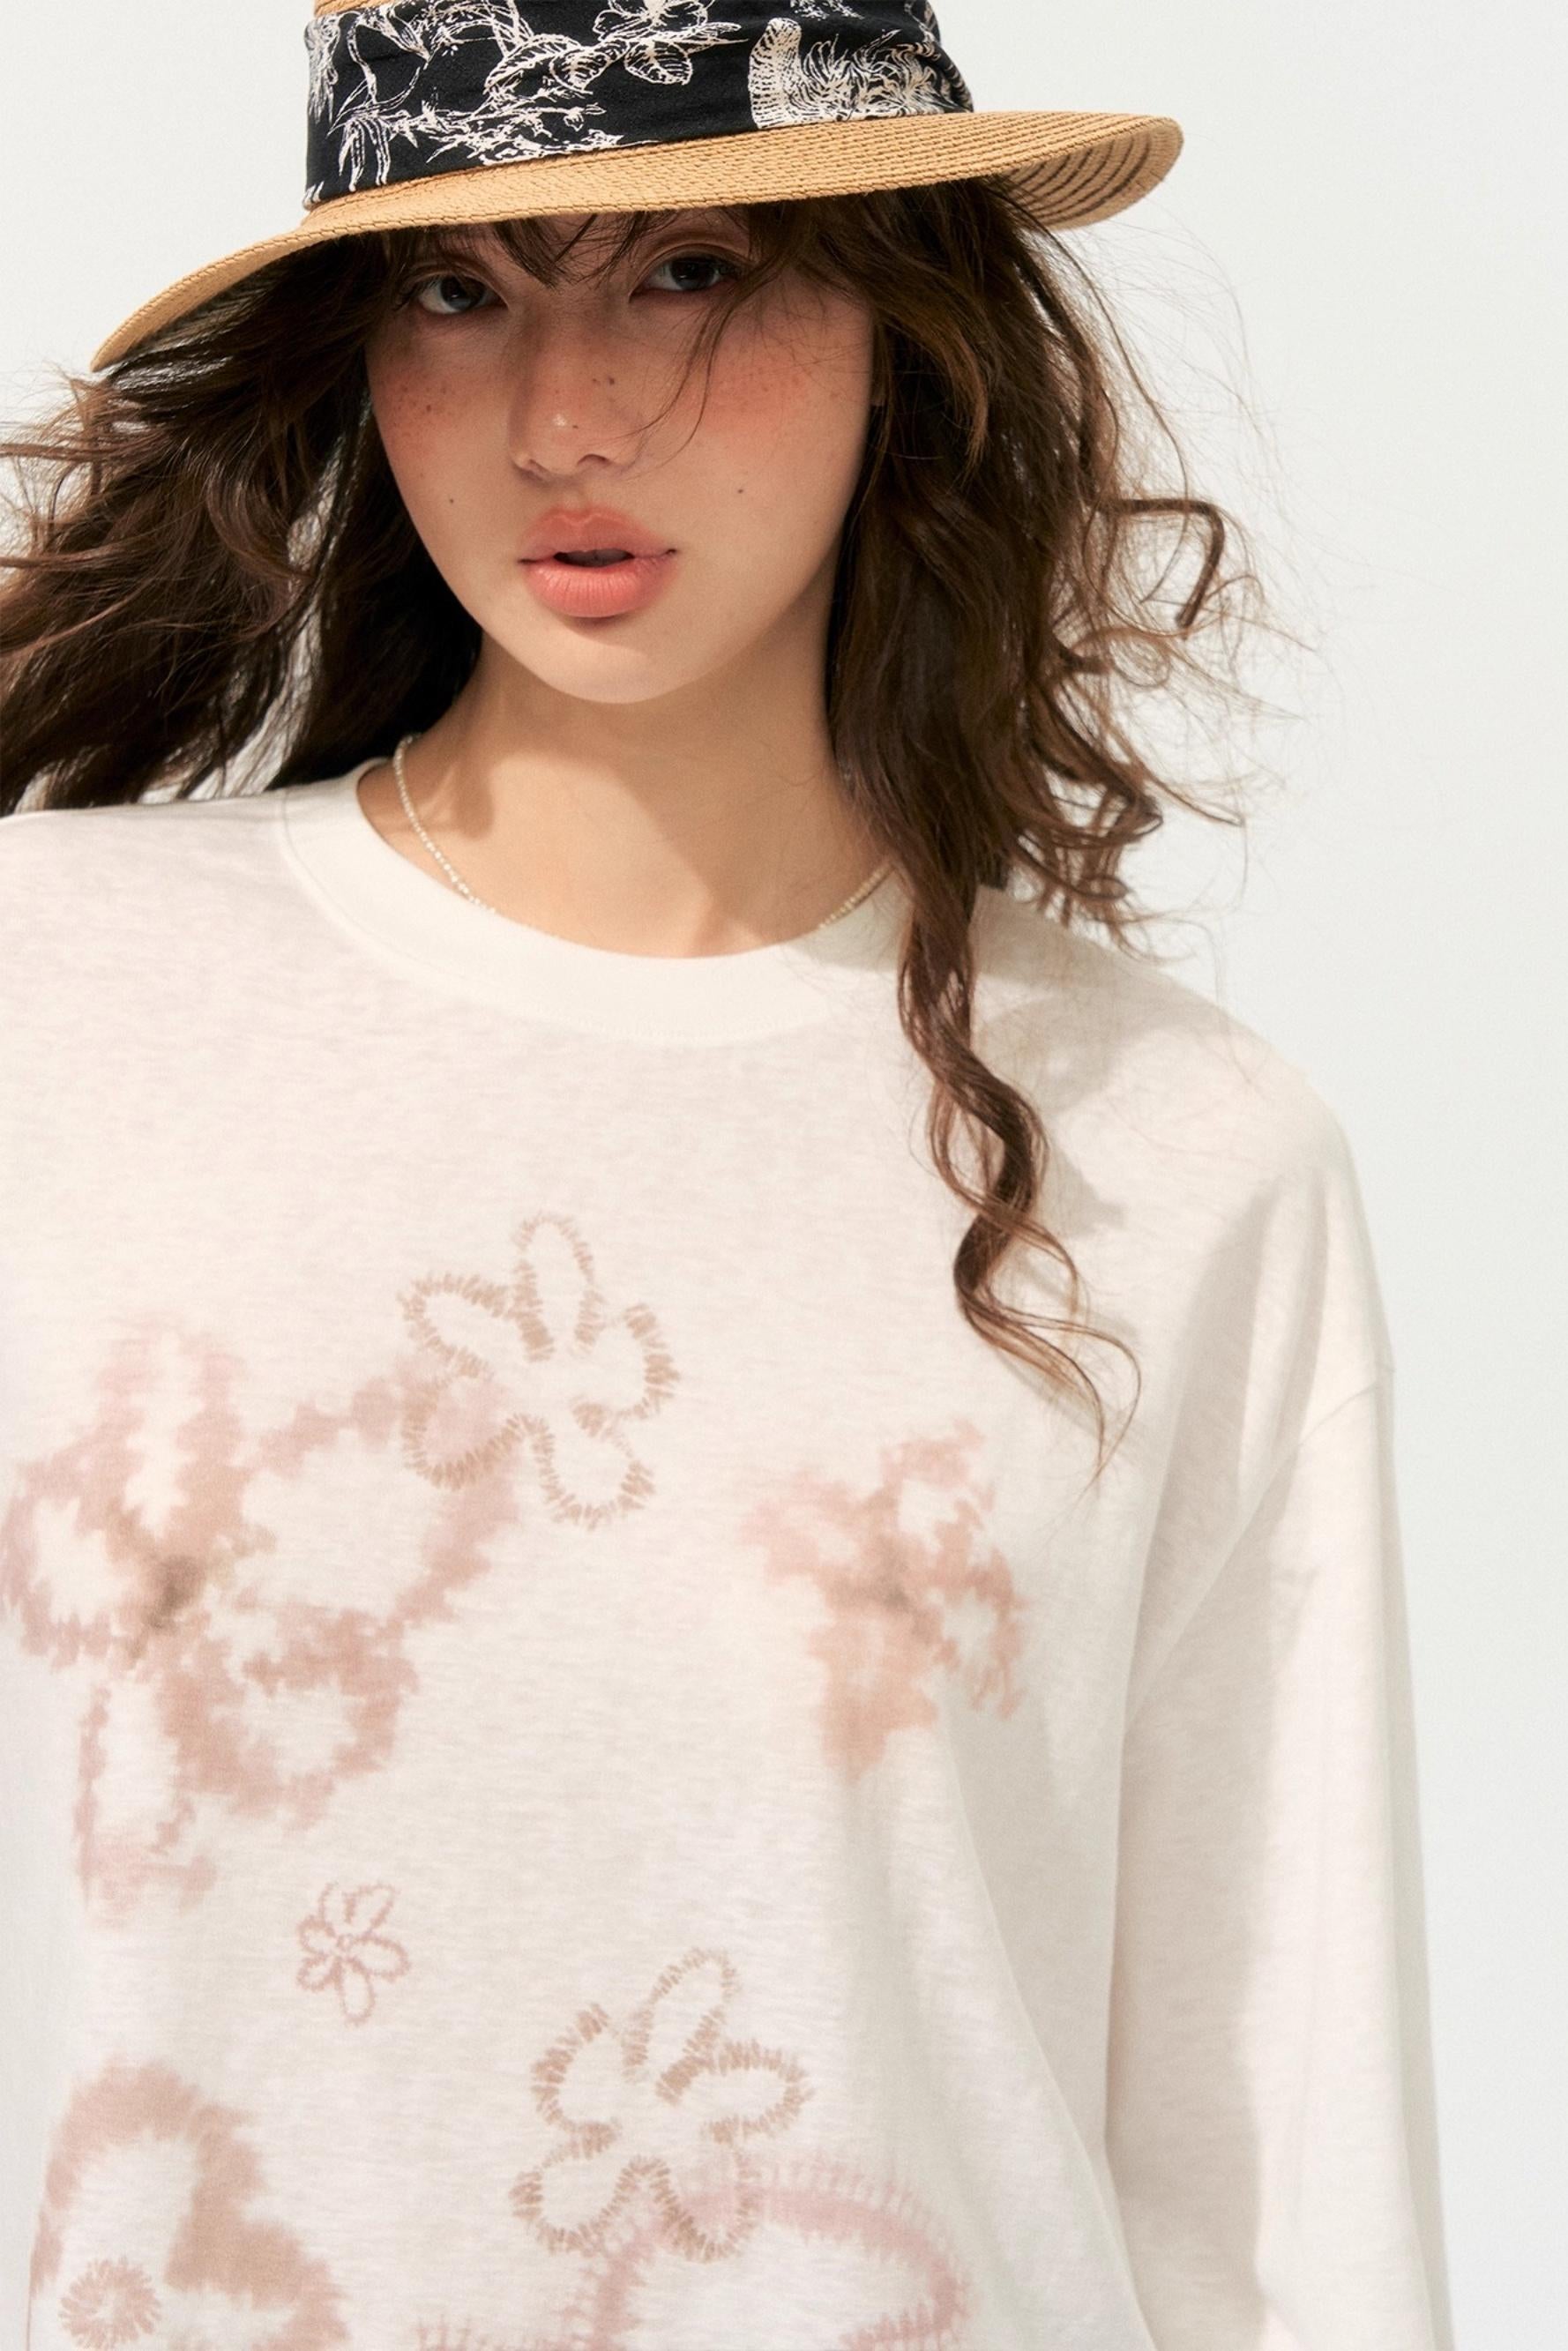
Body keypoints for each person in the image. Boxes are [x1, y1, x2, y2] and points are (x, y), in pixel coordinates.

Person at [0, 4, 1455, 2346]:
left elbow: (1279, 2187)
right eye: (458, 289)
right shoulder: (48, 1006)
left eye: (691, 271)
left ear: (910, 330)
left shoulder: (1182, 1155)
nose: (566, 419)